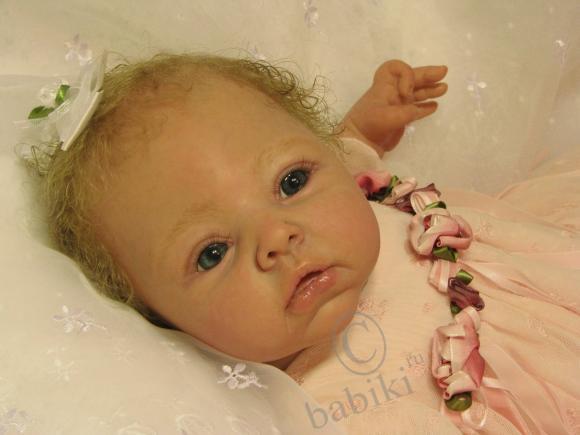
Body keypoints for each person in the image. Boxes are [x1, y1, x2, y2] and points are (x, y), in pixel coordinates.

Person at [23, 52, 579, 434]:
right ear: (159, 318)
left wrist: (366, 128)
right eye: (212, 252)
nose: (277, 237)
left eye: (291, 182)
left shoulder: (349, 183)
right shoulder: (308, 412)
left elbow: (341, 152)